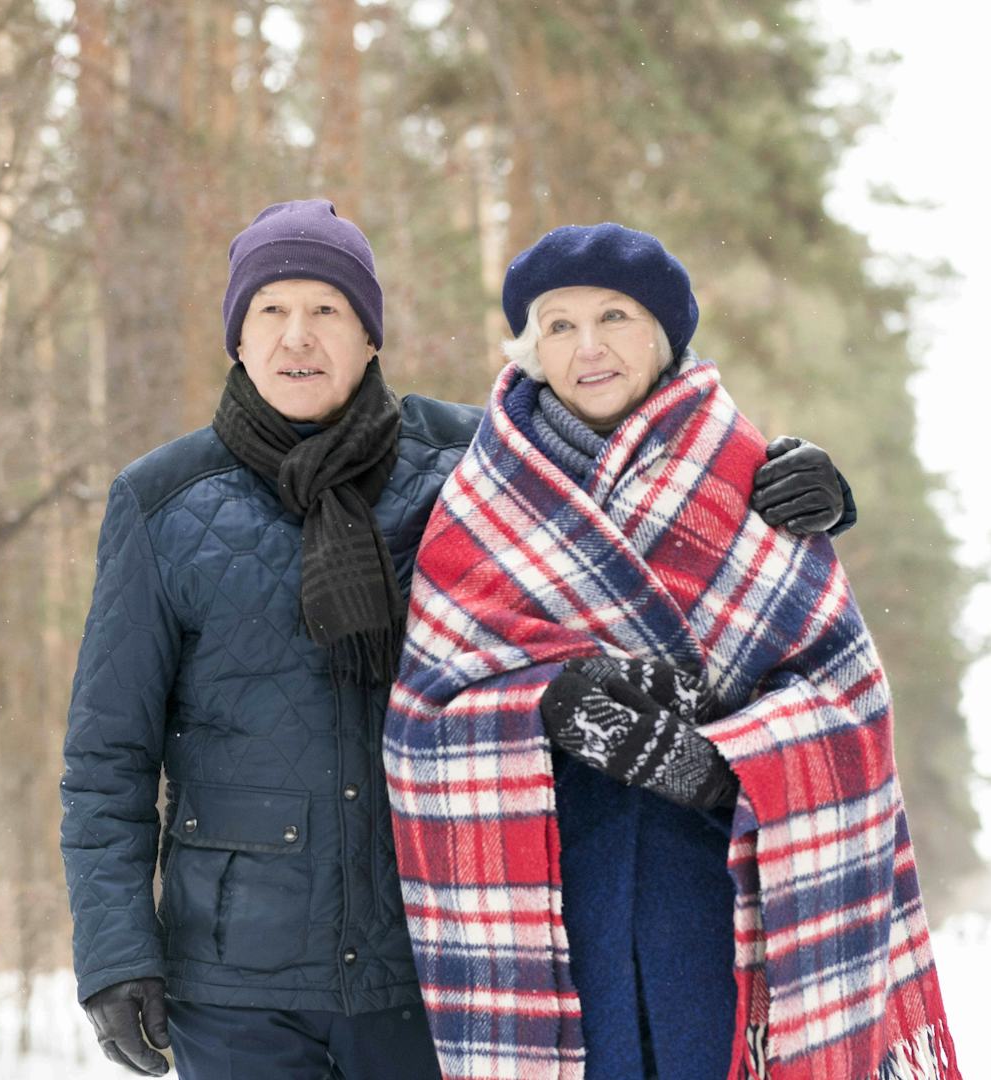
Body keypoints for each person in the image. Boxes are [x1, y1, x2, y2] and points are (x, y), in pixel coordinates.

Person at [58, 201, 858, 1079]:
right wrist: (115, 952)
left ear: (371, 338)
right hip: (237, 980)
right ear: (237, 339)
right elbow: (109, 757)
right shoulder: (162, 502)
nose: (298, 337)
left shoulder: (474, 464)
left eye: (327, 311)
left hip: (436, 961)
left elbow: (629, 447)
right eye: (270, 312)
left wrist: (778, 481)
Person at [383, 223, 960, 1080]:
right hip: (553, 913)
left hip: (723, 906)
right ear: (532, 349)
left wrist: (723, 766)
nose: (589, 348)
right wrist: (546, 703)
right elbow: (423, 718)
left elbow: (846, 701)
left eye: (614, 317)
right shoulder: (476, 500)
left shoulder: (749, 479)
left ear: (662, 336)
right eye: (560, 325)